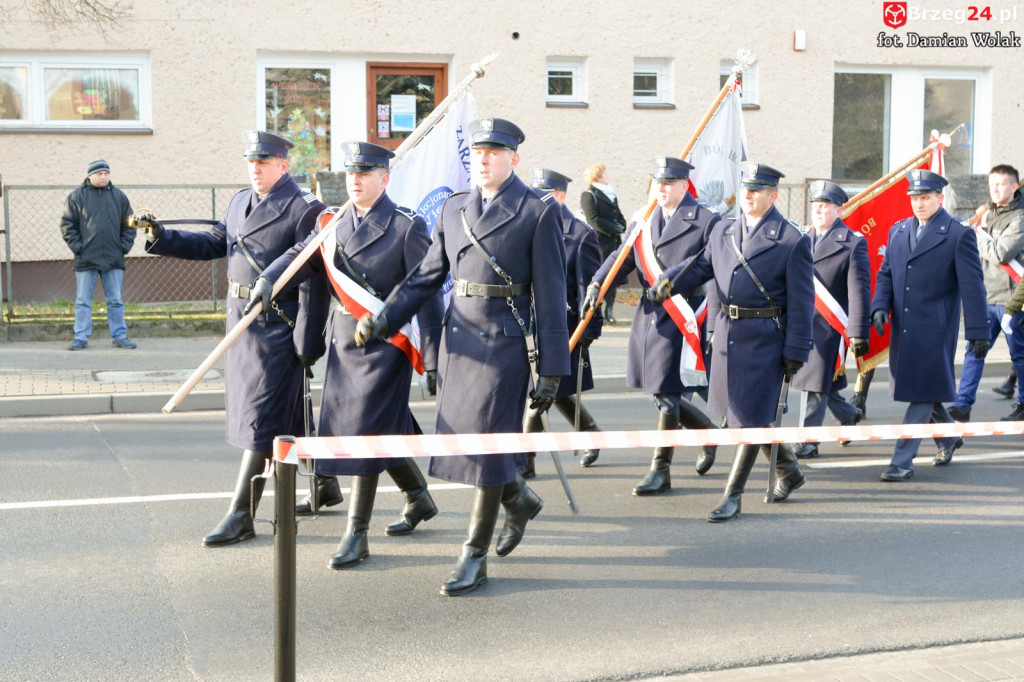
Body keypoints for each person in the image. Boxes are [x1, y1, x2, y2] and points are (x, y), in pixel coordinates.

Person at [354, 117, 569, 596]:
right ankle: (519, 499)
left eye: (495, 151)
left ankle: (474, 554)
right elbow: (426, 276)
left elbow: (552, 295)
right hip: (460, 342)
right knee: (466, 444)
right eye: (478, 152)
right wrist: (386, 319)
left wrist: (553, 367)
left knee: (489, 447)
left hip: (504, 343)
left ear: (514, 158)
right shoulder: (454, 209)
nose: (484, 159)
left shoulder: (537, 211)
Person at [246, 141, 443, 569]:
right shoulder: (334, 223)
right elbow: (302, 256)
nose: (355, 180)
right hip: (343, 338)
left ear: (384, 179)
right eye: (351, 173)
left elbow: (425, 290)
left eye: (365, 173)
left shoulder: (407, 226)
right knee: (377, 426)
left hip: (385, 343)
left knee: (365, 433)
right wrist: (269, 278)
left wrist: (432, 354)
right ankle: (418, 496)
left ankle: (356, 532)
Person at [136, 131, 327, 545]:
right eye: (251, 163)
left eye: (264, 163)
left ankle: (241, 513)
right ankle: (326, 482)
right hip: (239, 319)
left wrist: (308, 339)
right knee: (280, 410)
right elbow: (216, 242)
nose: (255, 170)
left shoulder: (304, 208)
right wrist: (162, 235)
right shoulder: (240, 200)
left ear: (284, 165)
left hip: (276, 322)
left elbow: (314, 272)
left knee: (260, 417)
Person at [652, 162, 814, 522]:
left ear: (773, 196)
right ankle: (790, 469)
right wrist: (669, 281)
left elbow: (803, 303)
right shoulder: (724, 231)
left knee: (749, 421)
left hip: (766, 340)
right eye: (745, 189)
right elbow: (699, 267)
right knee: (746, 417)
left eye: (757, 190)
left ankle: (733, 495)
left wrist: (797, 351)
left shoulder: (791, 239)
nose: (749, 196)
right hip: (727, 335)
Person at [584, 157, 721, 493]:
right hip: (650, 316)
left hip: (684, 313)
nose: (660, 188)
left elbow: (706, 263)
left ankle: (661, 468)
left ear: (684, 184)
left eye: (669, 182)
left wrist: (676, 284)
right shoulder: (645, 218)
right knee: (658, 390)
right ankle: (708, 434)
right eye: (657, 182)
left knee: (667, 392)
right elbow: (621, 256)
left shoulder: (706, 220)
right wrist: (598, 284)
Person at [870, 169, 988, 481]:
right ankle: (949, 438)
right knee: (925, 390)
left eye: (925, 198)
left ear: (940, 198)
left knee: (920, 395)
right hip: (904, 330)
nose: (919, 204)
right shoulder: (898, 231)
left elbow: (973, 287)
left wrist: (978, 331)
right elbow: (885, 275)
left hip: (935, 332)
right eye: (914, 198)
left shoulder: (958, 234)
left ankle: (902, 461)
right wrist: (879, 306)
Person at [523, 167, 603, 474]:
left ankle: (525, 458)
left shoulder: (581, 235)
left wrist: (589, 332)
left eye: (546, 195)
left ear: (561, 196)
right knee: (551, 390)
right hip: (533, 322)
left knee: (545, 388)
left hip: (566, 325)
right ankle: (592, 432)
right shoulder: (529, 226)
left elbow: (588, 289)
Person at [788, 181, 871, 458]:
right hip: (802, 323)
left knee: (813, 381)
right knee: (823, 382)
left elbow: (859, 290)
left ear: (839, 209)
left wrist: (858, 330)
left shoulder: (852, 243)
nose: (819, 210)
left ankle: (808, 441)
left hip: (831, 327)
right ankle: (848, 415)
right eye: (815, 206)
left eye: (825, 206)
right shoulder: (802, 239)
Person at [946, 165, 1024, 422]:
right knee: (974, 352)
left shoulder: (1020, 218)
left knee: (1019, 355)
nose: (996, 189)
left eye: (1001, 184)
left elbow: (1002, 253)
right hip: (984, 297)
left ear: (1014, 187)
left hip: (1011, 299)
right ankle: (963, 404)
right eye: (992, 185)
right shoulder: (986, 215)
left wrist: (973, 234)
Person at [60, 159, 137, 350]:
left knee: (116, 301)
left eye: (106, 173)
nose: (103, 177)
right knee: (83, 301)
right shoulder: (76, 197)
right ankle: (81, 337)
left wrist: (123, 247)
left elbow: (130, 225)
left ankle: (120, 336)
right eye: (99, 174)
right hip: (86, 259)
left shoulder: (119, 197)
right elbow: (67, 225)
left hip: (113, 258)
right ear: (90, 175)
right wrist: (80, 248)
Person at [580, 164, 628, 324]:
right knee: (600, 275)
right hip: (599, 242)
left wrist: (622, 225)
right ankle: (596, 308)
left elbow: (618, 214)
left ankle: (609, 309)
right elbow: (592, 219)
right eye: (605, 173)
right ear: (598, 176)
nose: (607, 175)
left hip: (614, 242)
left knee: (614, 276)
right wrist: (612, 228)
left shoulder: (610, 193)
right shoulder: (588, 195)